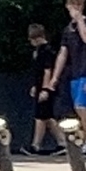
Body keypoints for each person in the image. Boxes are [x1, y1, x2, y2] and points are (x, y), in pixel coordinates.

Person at [53, 0, 86, 152]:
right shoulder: (67, 29)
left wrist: (80, 19)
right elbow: (63, 53)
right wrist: (54, 77)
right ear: (67, 6)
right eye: (73, 5)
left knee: (82, 106)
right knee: (77, 108)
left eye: (79, 5)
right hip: (75, 73)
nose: (76, 8)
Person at [24, 21, 64, 156]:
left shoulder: (47, 51)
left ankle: (36, 145)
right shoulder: (39, 51)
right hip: (40, 86)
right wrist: (36, 86)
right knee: (47, 117)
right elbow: (38, 71)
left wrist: (45, 89)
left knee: (40, 117)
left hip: (45, 88)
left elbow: (48, 70)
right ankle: (62, 142)